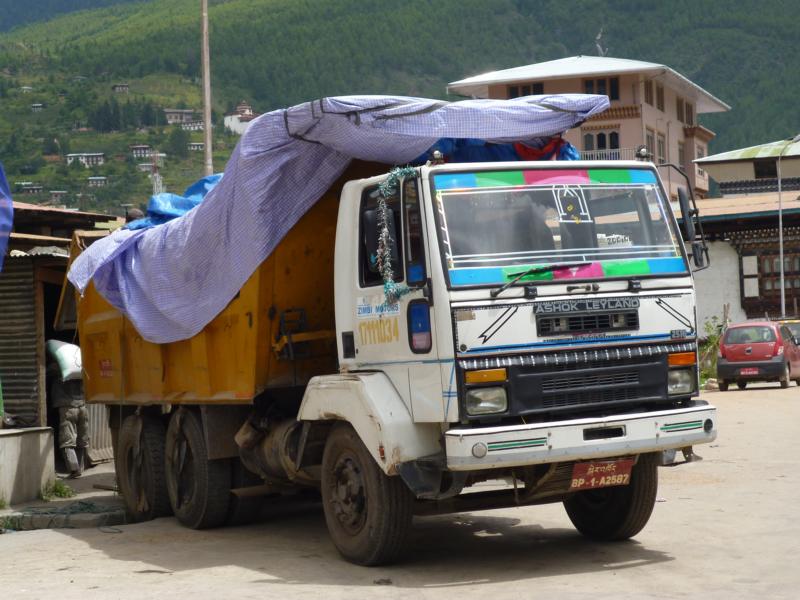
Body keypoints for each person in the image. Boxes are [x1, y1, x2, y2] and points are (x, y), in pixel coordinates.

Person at [51, 378, 89, 478]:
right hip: (82, 406)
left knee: (67, 440)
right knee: (82, 439)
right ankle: (80, 468)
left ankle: (74, 469)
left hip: (67, 407)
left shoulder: (58, 369)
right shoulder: (77, 369)